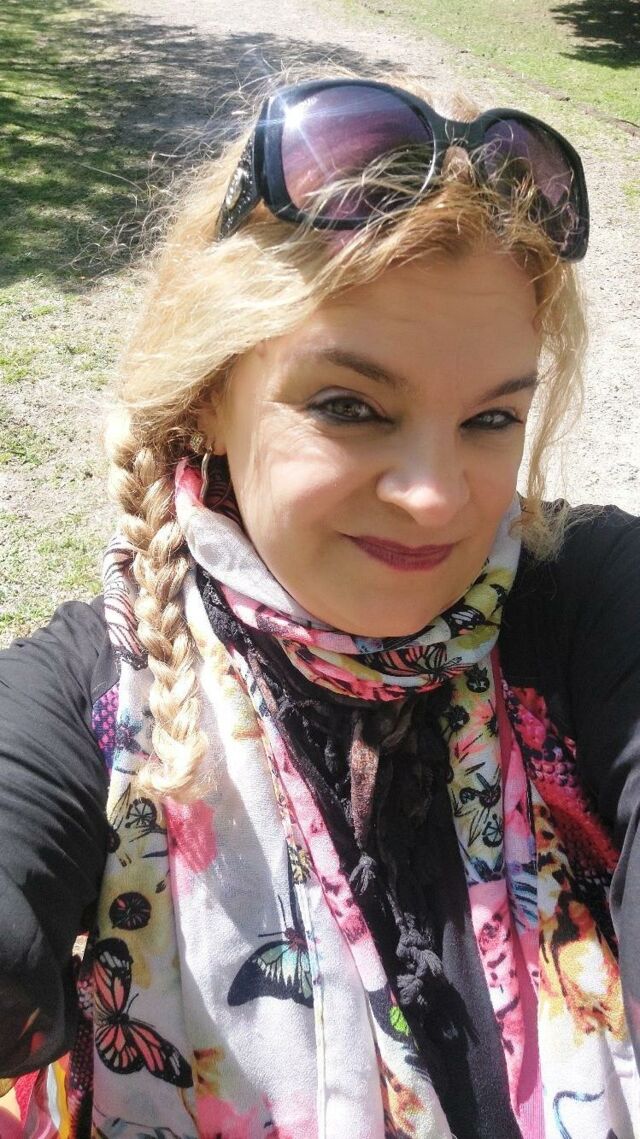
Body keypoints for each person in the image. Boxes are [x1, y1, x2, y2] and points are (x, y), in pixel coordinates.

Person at [0, 72, 638, 1139]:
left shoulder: (587, 601)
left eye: (490, 418)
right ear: (210, 393)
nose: (437, 497)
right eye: (351, 406)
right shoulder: (91, 692)